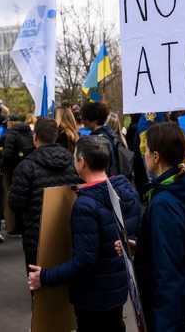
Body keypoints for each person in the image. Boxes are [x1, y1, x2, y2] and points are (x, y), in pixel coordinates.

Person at [27, 135, 141, 332]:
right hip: (118, 286)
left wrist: (45, 276)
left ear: (82, 162)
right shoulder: (125, 190)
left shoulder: (85, 205)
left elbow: (85, 261)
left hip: (94, 296)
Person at [129, 121, 185, 331]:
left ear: (156, 157)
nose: (144, 155)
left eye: (146, 150)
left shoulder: (164, 203)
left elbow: (167, 272)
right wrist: (143, 247)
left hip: (176, 316)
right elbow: (184, 243)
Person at [9, 118, 81, 269]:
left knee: (37, 278)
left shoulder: (26, 167)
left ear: (35, 137)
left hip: (36, 233)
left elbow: (16, 203)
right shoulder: (73, 162)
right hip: (67, 228)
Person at [80, 102, 130, 178]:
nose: (83, 121)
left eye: (85, 118)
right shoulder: (112, 135)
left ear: (94, 120)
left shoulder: (97, 141)